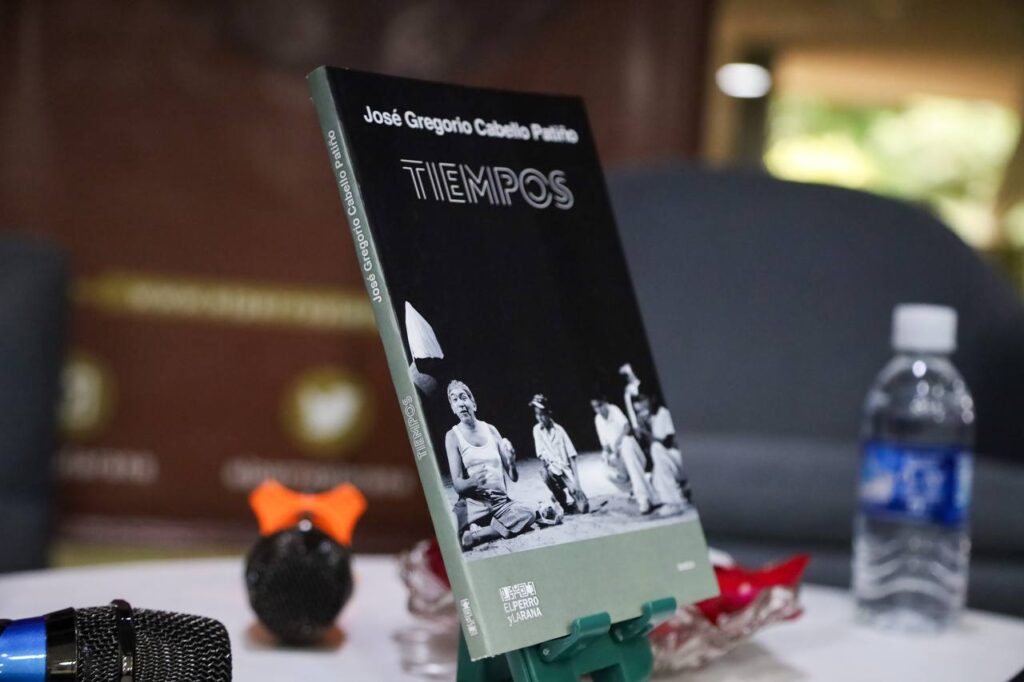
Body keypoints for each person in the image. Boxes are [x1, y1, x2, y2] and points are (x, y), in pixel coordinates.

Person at [445, 380, 543, 549]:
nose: (460, 403)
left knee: (528, 512)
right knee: (448, 533)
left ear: (473, 403)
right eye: (455, 400)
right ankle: (488, 526)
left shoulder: (491, 430)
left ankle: (478, 534)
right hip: (473, 504)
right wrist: (473, 482)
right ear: (453, 408)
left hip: (500, 504)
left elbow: (513, 476)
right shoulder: (452, 436)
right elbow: (458, 485)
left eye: (463, 397)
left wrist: (511, 462)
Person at [591, 396, 661, 515]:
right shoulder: (597, 419)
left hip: (632, 451)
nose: (598, 409)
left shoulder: (614, 409)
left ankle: (643, 499)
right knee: (604, 469)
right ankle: (640, 488)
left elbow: (627, 428)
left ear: (605, 403)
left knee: (626, 444)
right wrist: (606, 454)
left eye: (600, 405)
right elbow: (605, 445)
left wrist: (618, 443)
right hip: (619, 457)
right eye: (595, 407)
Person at [530, 394, 589, 514]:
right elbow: (541, 454)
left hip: (566, 472)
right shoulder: (537, 430)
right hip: (552, 470)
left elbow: (572, 457)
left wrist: (577, 484)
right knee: (544, 473)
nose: (539, 418)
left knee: (583, 508)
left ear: (549, 413)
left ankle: (565, 494)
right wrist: (548, 464)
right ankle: (560, 497)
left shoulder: (559, 430)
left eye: (542, 414)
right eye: (537, 414)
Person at [633, 392, 692, 505]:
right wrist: (643, 432)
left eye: (643, 400)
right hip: (667, 464)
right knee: (652, 481)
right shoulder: (650, 419)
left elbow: (671, 443)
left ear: (652, 399)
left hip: (680, 460)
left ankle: (675, 501)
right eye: (639, 401)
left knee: (656, 448)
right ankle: (683, 489)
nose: (641, 404)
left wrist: (648, 435)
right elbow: (651, 457)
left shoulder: (664, 414)